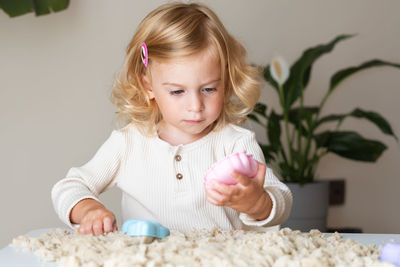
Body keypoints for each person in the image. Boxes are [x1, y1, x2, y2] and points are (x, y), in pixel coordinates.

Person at [52, 2, 292, 236]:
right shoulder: (128, 143)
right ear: (148, 86)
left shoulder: (236, 144)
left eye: (209, 89)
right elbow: (70, 186)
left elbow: (281, 198)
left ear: (226, 82)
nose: (196, 107)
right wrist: (89, 210)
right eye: (177, 92)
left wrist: (258, 203)